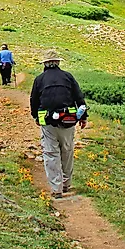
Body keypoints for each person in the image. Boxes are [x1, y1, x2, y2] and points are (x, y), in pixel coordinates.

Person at [30, 49, 88, 198]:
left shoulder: (39, 79)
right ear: (58, 63)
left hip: (48, 123)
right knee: (67, 151)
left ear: (45, 63)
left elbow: (34, 100)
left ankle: (56, 188)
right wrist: (83, 117)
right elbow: (79, 97)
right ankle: (66, 183)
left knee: (51, 153)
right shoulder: (68, 77)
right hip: (68, 121)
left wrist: (36, 116)